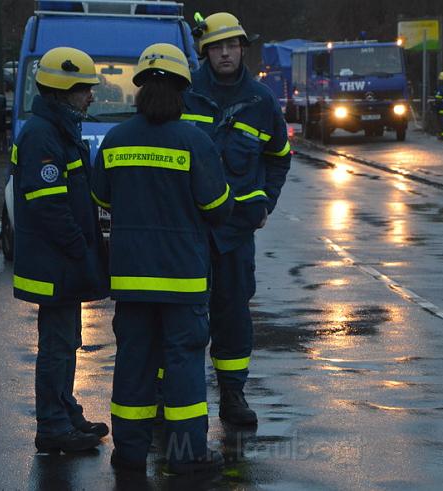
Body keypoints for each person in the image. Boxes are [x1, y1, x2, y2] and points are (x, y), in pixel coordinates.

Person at [91, 43, 233, 474]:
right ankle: (187, 457)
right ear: (182, 92)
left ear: (139, 91)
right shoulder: (195, 141)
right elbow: (218, 207)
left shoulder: (115, 139)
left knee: (133, 363)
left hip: (131, 279)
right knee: (184, 365)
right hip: (182, 280)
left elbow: (100, 196)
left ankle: (129, 453)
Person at [183, 11, 292, 427]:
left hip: (236, 233)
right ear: (205, 52)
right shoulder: (186, 92)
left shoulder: (262, 100)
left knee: (232, 317)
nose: (225, 53)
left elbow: (279, 158)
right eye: (217, 47)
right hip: (191, 230)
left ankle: (232, 395)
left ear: (242, 49)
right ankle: (166, 397)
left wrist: (267, 204)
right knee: (182, 316)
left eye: (231, 45)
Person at [11, 47, 110, 452]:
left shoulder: (57, 129)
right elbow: (50, 206)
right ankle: (52, 427)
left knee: (67, 341)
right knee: (55, 345)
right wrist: (80, 248)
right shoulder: (41, 135)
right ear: (63, 90)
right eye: (84, 89)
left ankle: (65, 410)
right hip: (54, 264)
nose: (90, 96)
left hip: (61, 263)